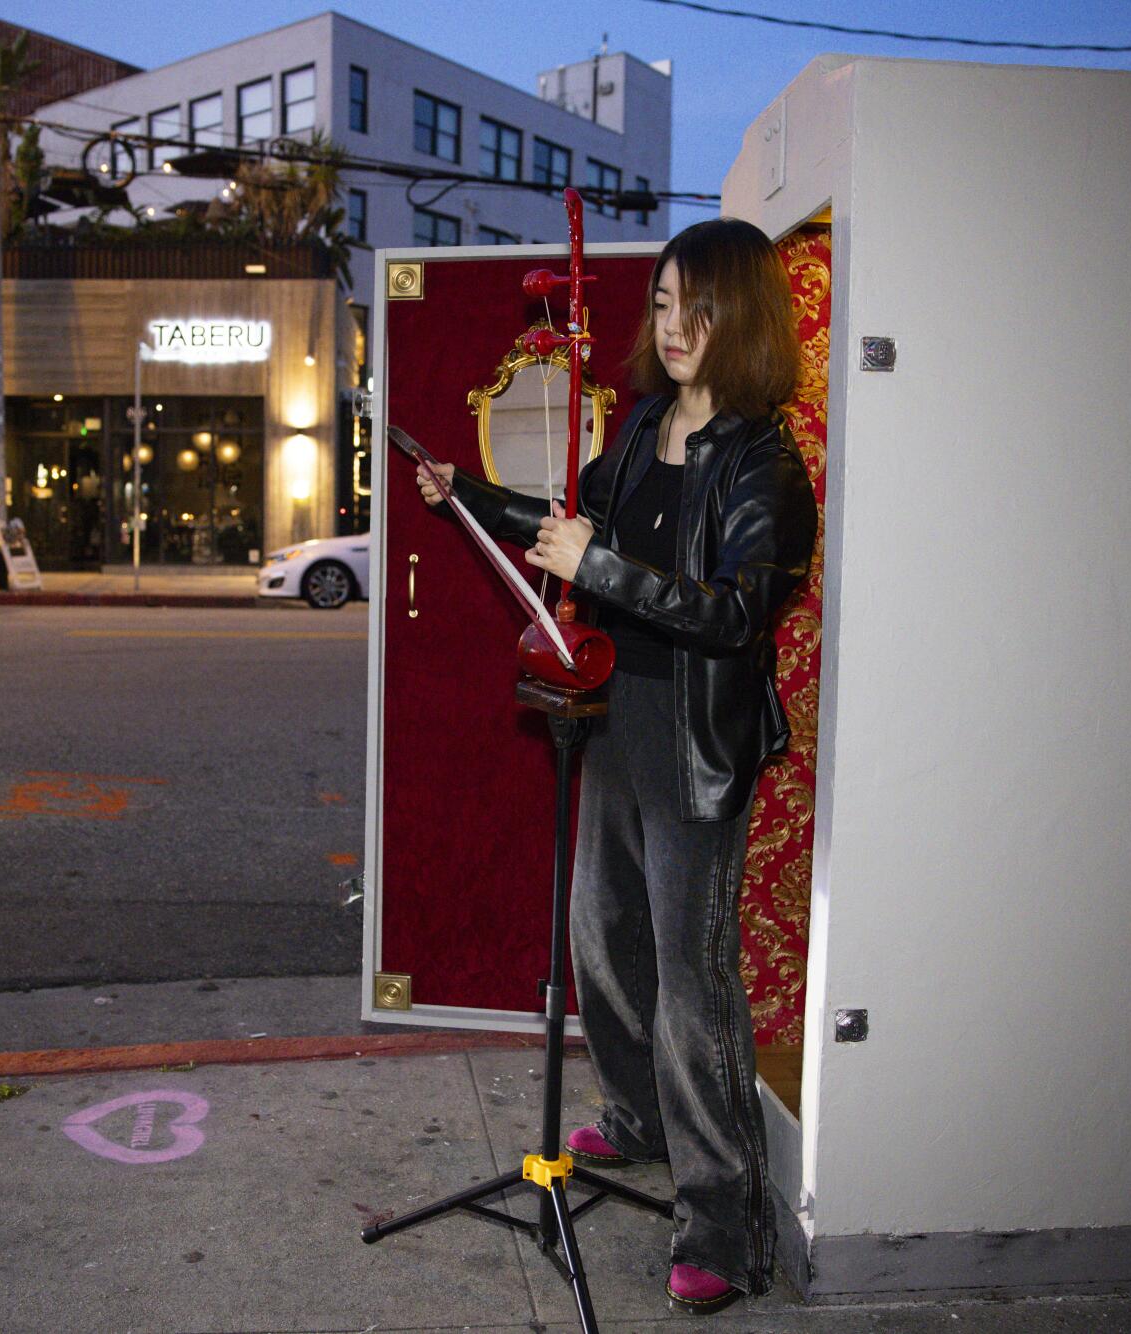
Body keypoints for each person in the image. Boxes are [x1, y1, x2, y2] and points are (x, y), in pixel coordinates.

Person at [416, 218, 816, 1314]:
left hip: (695, 747)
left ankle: (720, 1221)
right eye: (661, 301)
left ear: (739, 316)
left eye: (697, 304)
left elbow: (733, 613)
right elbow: (571, 522)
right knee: (601, 934)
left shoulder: (765, 466)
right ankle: (637, 1121)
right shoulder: (643, 427)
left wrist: (599, 566)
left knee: (694, 988)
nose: (673, 324)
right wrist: (470, 495)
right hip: (612, 722)